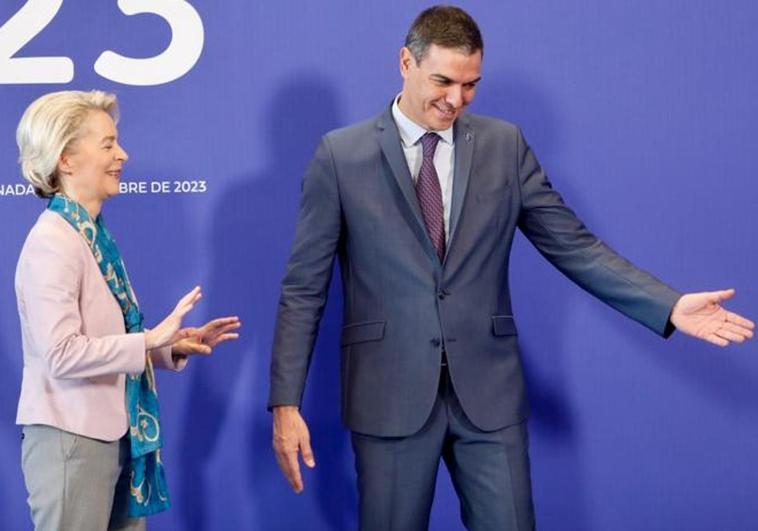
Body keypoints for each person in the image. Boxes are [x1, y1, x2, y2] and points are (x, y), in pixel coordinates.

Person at [268, 6, 754, 530]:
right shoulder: (340, 156)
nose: (456, 99)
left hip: (489, 396)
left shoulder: (505, 146)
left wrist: (669, 304)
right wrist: (285, 404)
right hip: (388, 396)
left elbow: (576, 247)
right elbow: (304, 289)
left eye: (471, 84)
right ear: (405, 62)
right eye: (443, 81)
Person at [14, 90, 241, 531]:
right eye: (107, 145)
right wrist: (148, 340)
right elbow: (60, 354)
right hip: (71, 441)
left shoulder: (94, 237)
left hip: (117, 436)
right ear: (65, 159)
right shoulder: (52, 242)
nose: (123, 154)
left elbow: (104, 341)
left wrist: (169, 347)